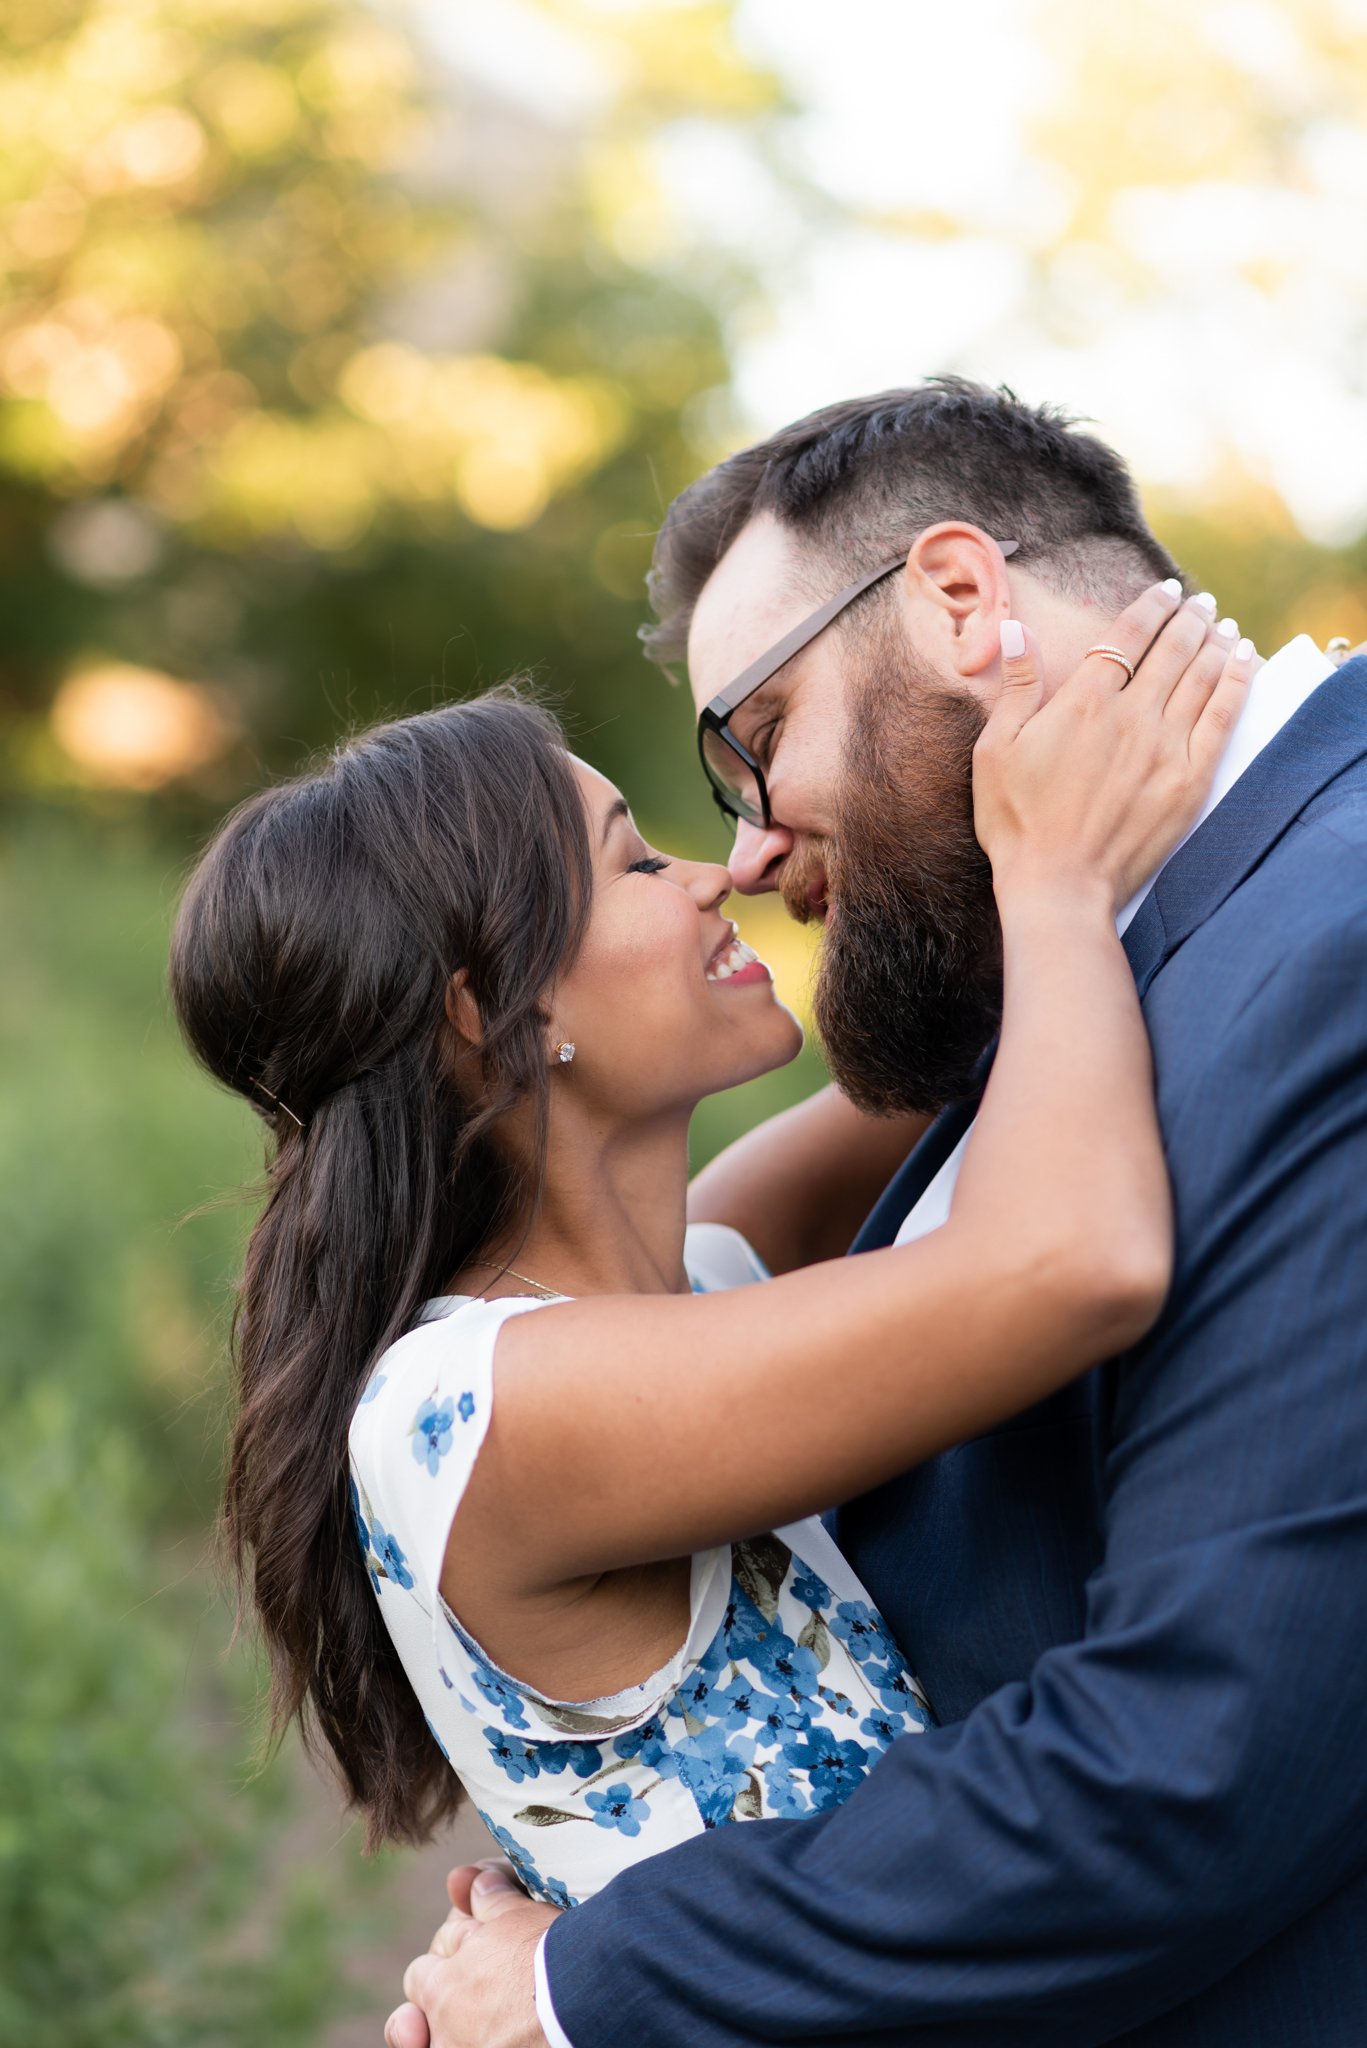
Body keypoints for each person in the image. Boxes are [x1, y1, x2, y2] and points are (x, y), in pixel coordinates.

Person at [390, 381, 1367, 2048]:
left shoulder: (1324, 950)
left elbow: (1200, 1756)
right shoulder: (1124, 973)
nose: (747, 853)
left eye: (753, 741)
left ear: (964, 603)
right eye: (663, 840)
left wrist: (579, 1985)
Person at [171, 578, 1239, 1911]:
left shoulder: (703, 1272)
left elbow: (992, 1035)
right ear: (488, 1005)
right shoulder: (483, 1411)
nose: (720, 873)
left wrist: (934, 793)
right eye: (635, 863)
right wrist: (1055, 875)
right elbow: (1073, 1259)